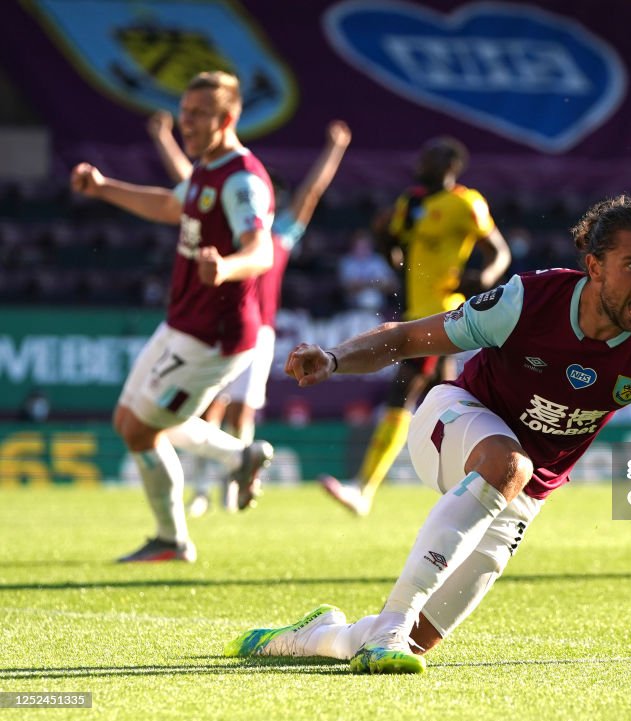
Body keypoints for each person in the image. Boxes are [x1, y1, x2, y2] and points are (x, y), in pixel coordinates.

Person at [225, 195, 631, 674]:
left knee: (418, 642)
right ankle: (390, 624)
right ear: (594, 267)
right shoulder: (527, 301)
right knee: (509, 465)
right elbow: (409, 337)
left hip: (524, 492)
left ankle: (317, 637)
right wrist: (336, 358)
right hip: (453, 422)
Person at [70, 71, 276, 562]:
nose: (186, 121)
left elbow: (262, 250)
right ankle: (237, 455)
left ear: (227, 118)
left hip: (216, 338)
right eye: (184, 112)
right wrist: (103, 188)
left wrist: (225, 267)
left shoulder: (242, 179)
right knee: (128, 420)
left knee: (144, 430)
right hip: (183, 323)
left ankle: (173, 540)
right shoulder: (207, 168)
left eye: (199, 114)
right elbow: (171, 205)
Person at [148, 112, 354, 514]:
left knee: (242, 409)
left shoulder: (280, 235)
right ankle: (204, 486)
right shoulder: (228, 228)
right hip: (217, 324)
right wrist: (164, 139)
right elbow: (189, 189)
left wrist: (335, 149)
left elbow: (311, 192)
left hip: (258, 333)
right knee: (209, 407)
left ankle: (232, 483)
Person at [320, 136, 511, 516]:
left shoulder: (466, 203)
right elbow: (396, 255)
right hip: (414, 312)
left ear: (450, 165)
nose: (421, 162)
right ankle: (482, 484)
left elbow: (499, 251)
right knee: (447, 400)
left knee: (402, 393)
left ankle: (364, 488)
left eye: (431, 158)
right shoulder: (410, 203)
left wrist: (485, 277)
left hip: (442, 314)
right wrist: (381, 237)